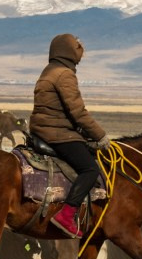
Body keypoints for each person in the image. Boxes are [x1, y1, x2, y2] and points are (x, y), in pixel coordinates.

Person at [30, 33, 108, 238]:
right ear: (69, 52)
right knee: (90, 169)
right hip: (57, 133)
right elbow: (78, 112)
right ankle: (67, 214)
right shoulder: (64, 75)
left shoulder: (49, 71)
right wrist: (100, 136)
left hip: (43, 129)